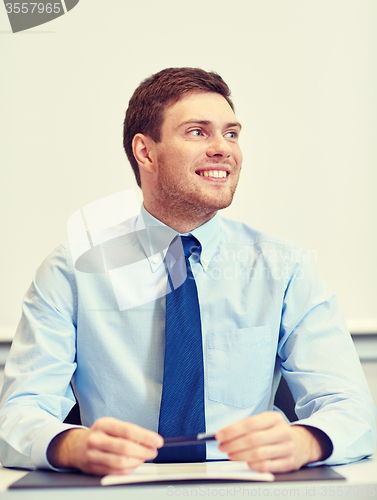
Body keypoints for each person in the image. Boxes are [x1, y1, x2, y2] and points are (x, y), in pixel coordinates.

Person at [0, 68, 375, 476]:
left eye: (231, 134)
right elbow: (18, 415)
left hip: (248, 487)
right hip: (117, 488)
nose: (223, 149)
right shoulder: (71, 270)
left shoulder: (284, 268)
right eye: (198, 132)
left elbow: (351, 408)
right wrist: (71, 445)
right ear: (145, 152)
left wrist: (306, 440)